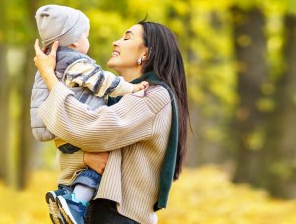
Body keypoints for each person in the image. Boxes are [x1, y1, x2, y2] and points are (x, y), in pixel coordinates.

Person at [34, 20, 189, 224]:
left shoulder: (154, 96)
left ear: (147, 54)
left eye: (126, 38)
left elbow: (92, 131)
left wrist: (49, 77)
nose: (116, 42)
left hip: (120, 217)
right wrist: (84, 158)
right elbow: (72, 143)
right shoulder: (113, 99)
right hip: (90, 213)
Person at [30, 4, 148, 224]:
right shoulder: (77, 63)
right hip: (77, 129)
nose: (89, 40)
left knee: (86, 167)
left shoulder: (52, 65)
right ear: (75, 41)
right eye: (86, 35)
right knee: (103, 164)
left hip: (61, 135)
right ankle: (76, 202)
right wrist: (131, 88)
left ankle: (65, 198)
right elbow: (103, 81)